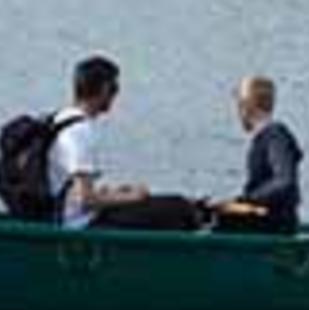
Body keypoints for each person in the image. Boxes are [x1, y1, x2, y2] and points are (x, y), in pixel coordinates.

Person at [51, 54, 205, 232]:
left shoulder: (60, 119)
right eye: (115, 89)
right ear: (104, 89)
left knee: (168, 204)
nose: (115, 96)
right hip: (80, 223)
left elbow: (74, 190)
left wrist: (114, 193)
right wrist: (133, 197)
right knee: (178, 207)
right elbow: (86, 200)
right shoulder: (81, 132)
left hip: (68, 214)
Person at [208, 74, 302, 234]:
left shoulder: (274, 135)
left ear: (246, 106)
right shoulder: (267, 136)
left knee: (214, 219)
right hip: (269, 217)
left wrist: (246, 201)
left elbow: (285, 182)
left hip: (274, 223)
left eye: (239, 105)